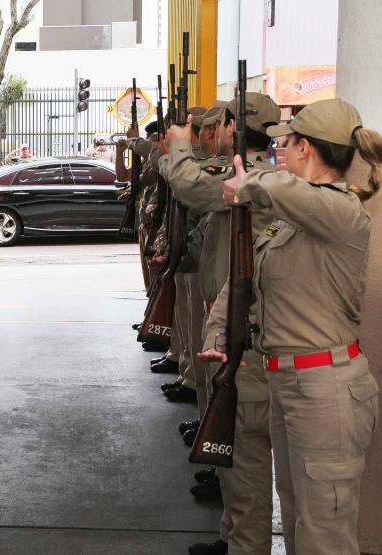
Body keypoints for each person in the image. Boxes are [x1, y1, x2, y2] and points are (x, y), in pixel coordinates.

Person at [204, 98, 381, 555]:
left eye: (289, 144)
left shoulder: (343, 211)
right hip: (288, 384)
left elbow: (285, 188)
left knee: (325, 537)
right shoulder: (289, 221)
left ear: (304, 149)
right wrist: (219, 333)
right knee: (301, 525)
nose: (281, 152)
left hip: (325, 391)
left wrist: (248, 182)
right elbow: (246, 283)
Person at [161, 93, 280, 554]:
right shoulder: (242, 173)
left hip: (242, 332)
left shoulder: (248, 178)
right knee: (234, 453)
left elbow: (190, 187)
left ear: (233, 126)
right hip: (225, 321)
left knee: (246, 461)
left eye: (222, 123)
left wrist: (178, 144)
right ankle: (233, 538)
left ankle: (244, 545)